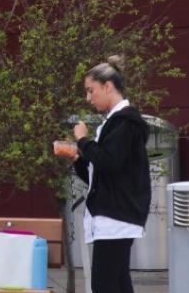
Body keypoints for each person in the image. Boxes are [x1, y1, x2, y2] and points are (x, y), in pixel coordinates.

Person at [70, 55, 149, 293]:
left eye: (90, 90)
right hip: (115, 213)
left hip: (117, 214)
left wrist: (82, 140)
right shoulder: (115, 123)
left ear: (108, 86)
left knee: (104, 284)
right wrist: (77, 159)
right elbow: (101, 175)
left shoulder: (124, 122)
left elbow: (109, 162)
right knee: (118, 282)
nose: (88, 98)